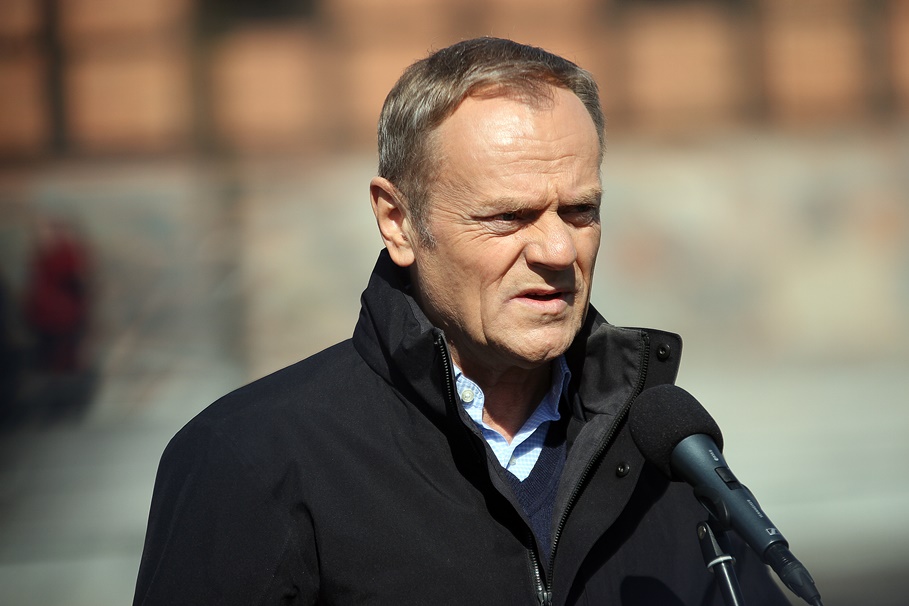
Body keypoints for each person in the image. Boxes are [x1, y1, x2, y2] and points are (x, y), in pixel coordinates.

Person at [134, 38, 790, 605]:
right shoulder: (250, 459)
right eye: (507, 217)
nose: (556, 250)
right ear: (398, 221)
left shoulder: (664, 450)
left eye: (580, 211)